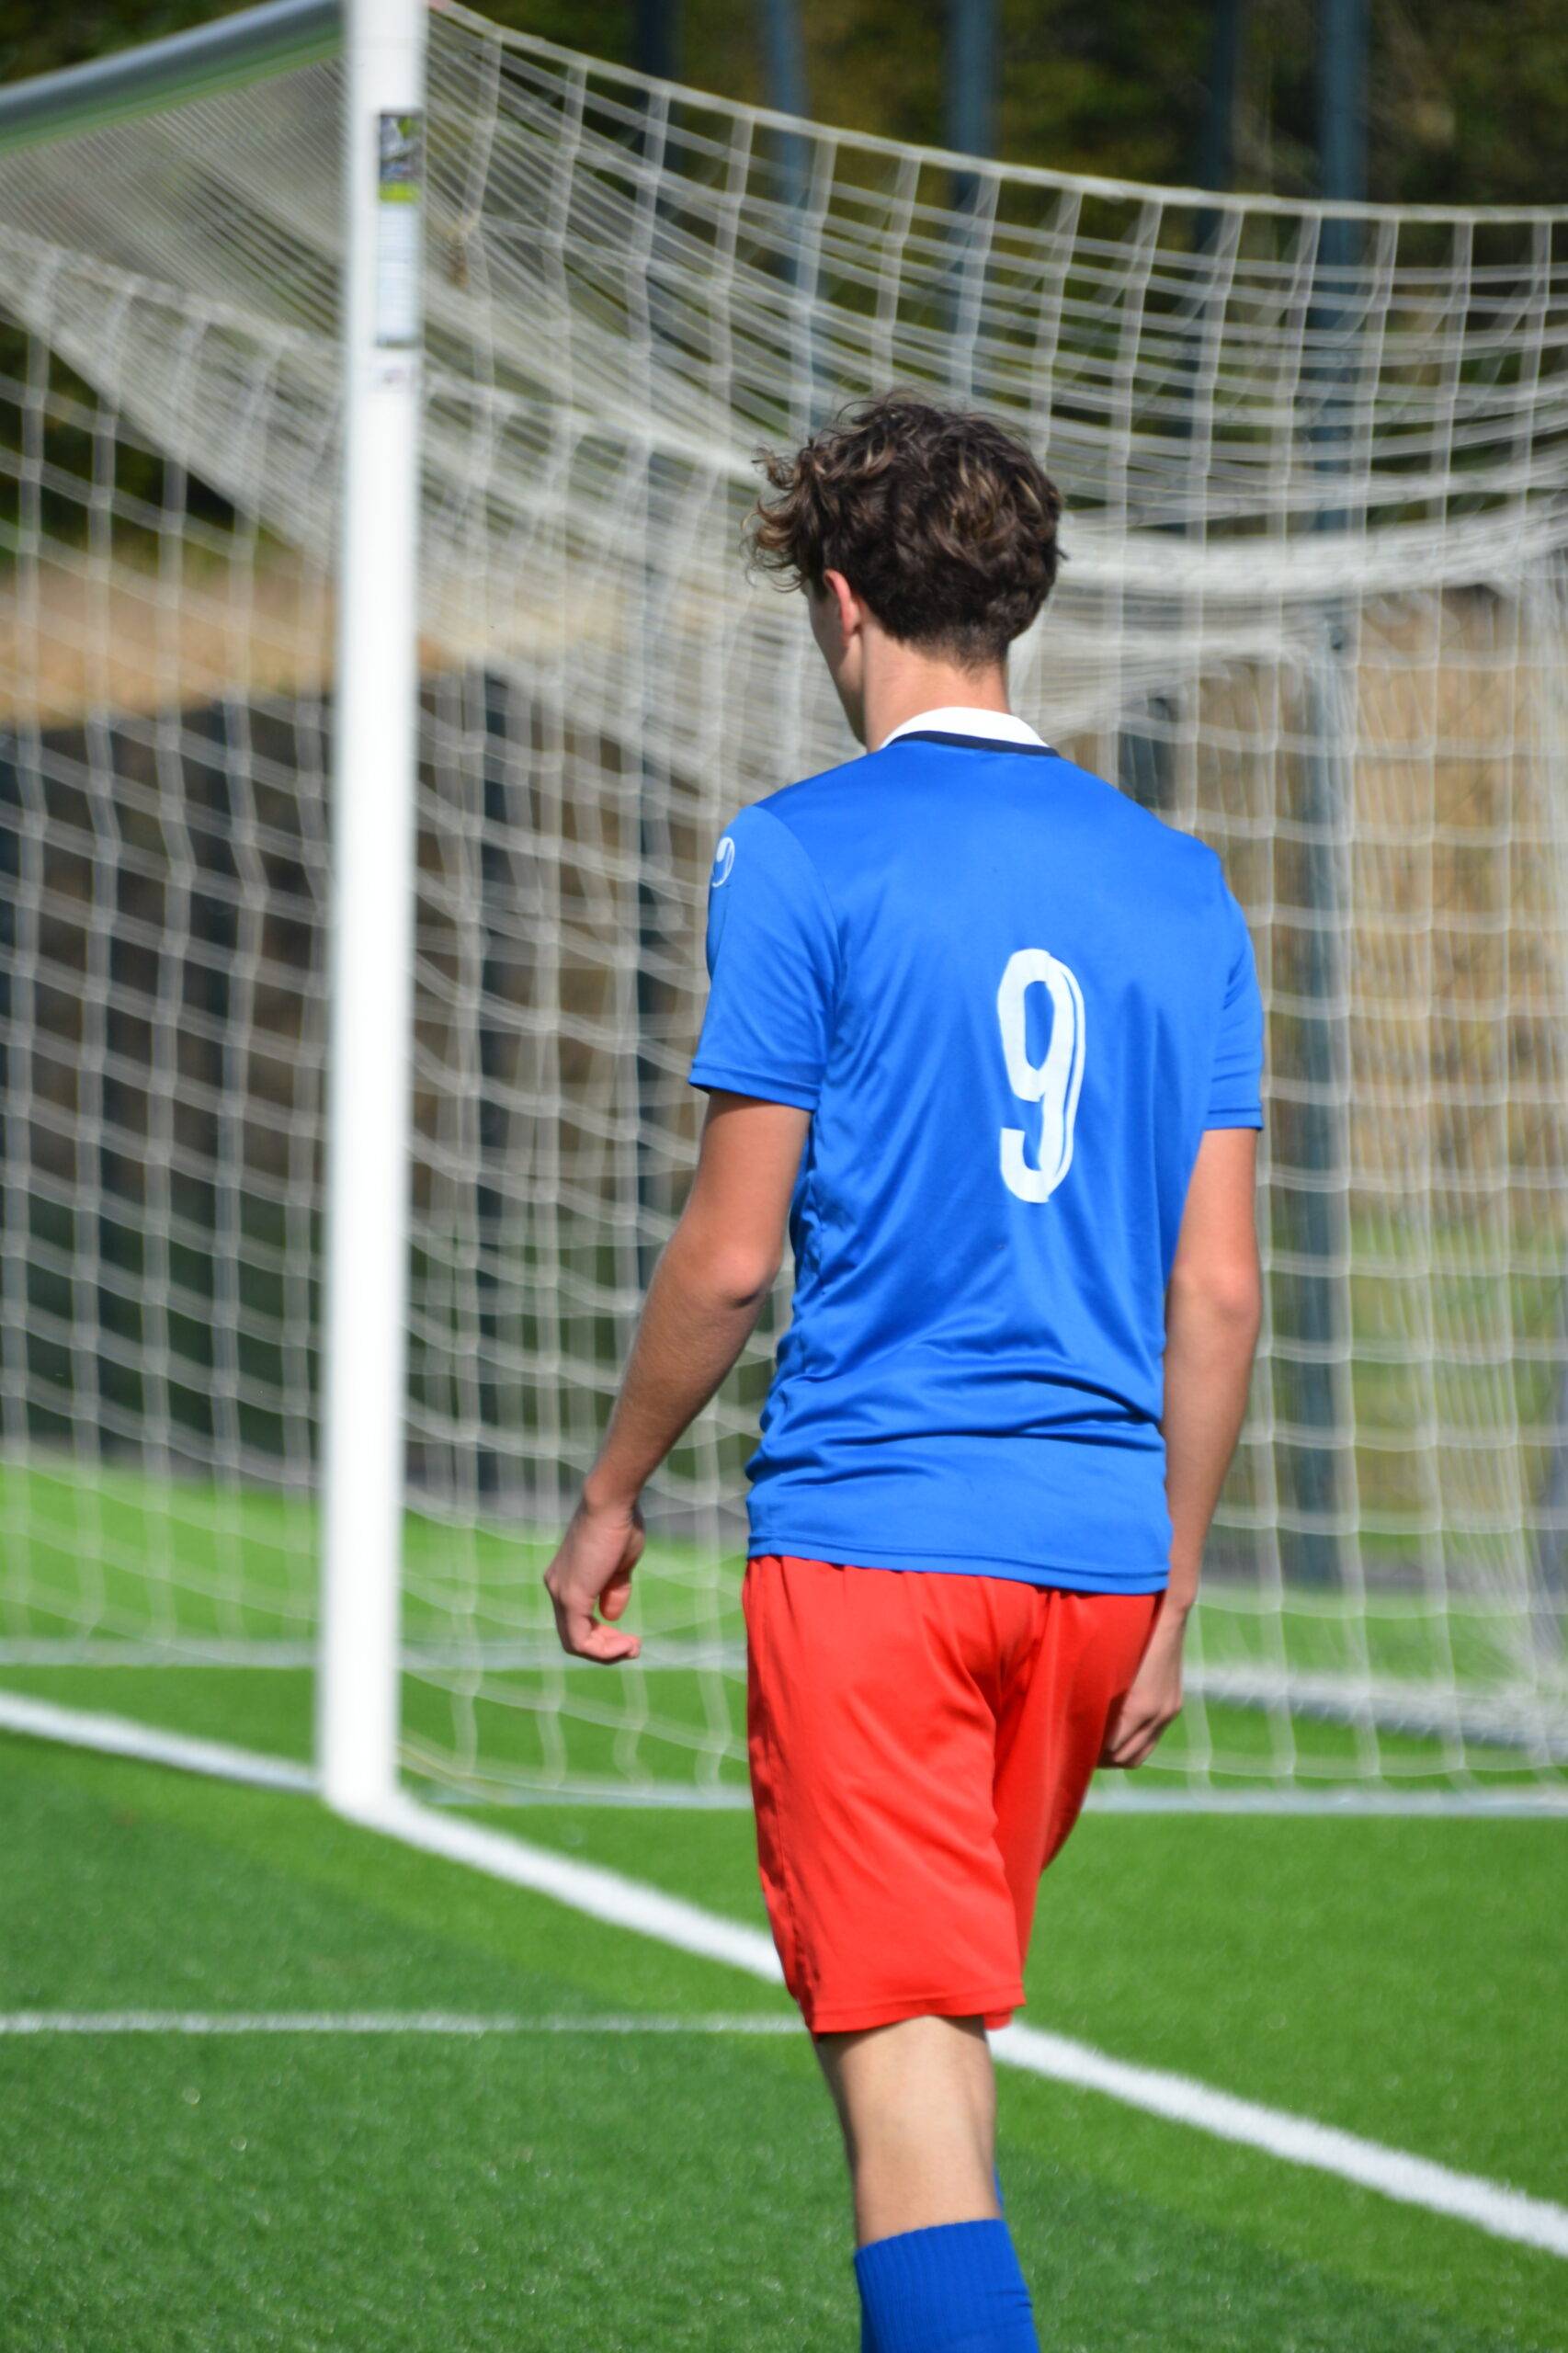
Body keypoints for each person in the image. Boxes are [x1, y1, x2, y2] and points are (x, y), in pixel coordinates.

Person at [543, 392, 1265, 2352]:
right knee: (938, 2040)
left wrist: (609, 1493)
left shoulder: (798, 851)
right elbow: (1215, 1291)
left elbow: (728, 1253)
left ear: (841, 602)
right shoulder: (1179, 882)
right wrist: (1172, 1584)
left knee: (903, 2089)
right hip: (1093, 1561)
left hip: (881, 1550)